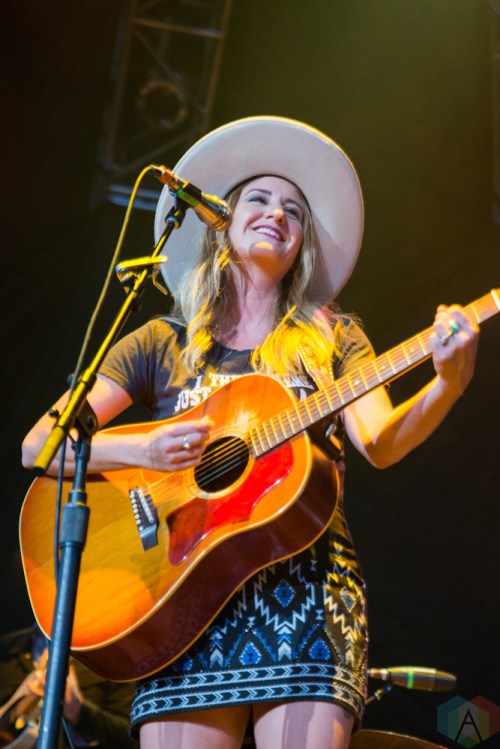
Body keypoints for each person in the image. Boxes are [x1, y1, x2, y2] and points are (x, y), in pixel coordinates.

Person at [21, 116, 479, 749]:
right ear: (222, 220)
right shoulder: (160, 343)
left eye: (294, 209)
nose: (277, 213)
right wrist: (144, 448)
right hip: (180, 601)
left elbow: (380, 440)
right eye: (259, 199)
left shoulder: (333, 339)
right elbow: (40, 445)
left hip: (306, 597)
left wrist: (446, 384)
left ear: (303, 243)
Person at [0, 624, 139, 748]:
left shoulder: (115, 657)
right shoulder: (7, 652)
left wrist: (79, 712)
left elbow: (133, 739)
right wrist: (18, 699)